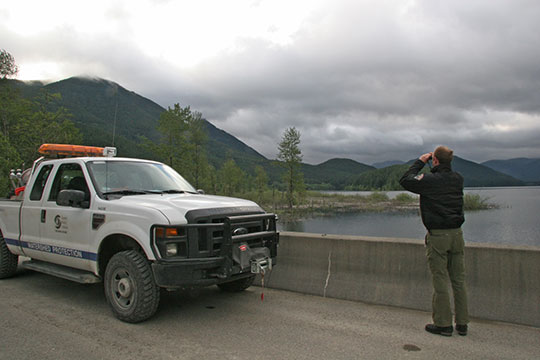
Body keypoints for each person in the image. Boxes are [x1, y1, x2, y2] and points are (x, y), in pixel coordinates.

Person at [399, 146, 469, 336]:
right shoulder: (458, 179)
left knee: (440, 280)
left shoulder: (429, 181)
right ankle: (462, 323)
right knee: (458, 280)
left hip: (438, 236)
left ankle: (443, 324)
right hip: (457, 234)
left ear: (435, 161)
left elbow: (405, 180)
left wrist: (421, 161)